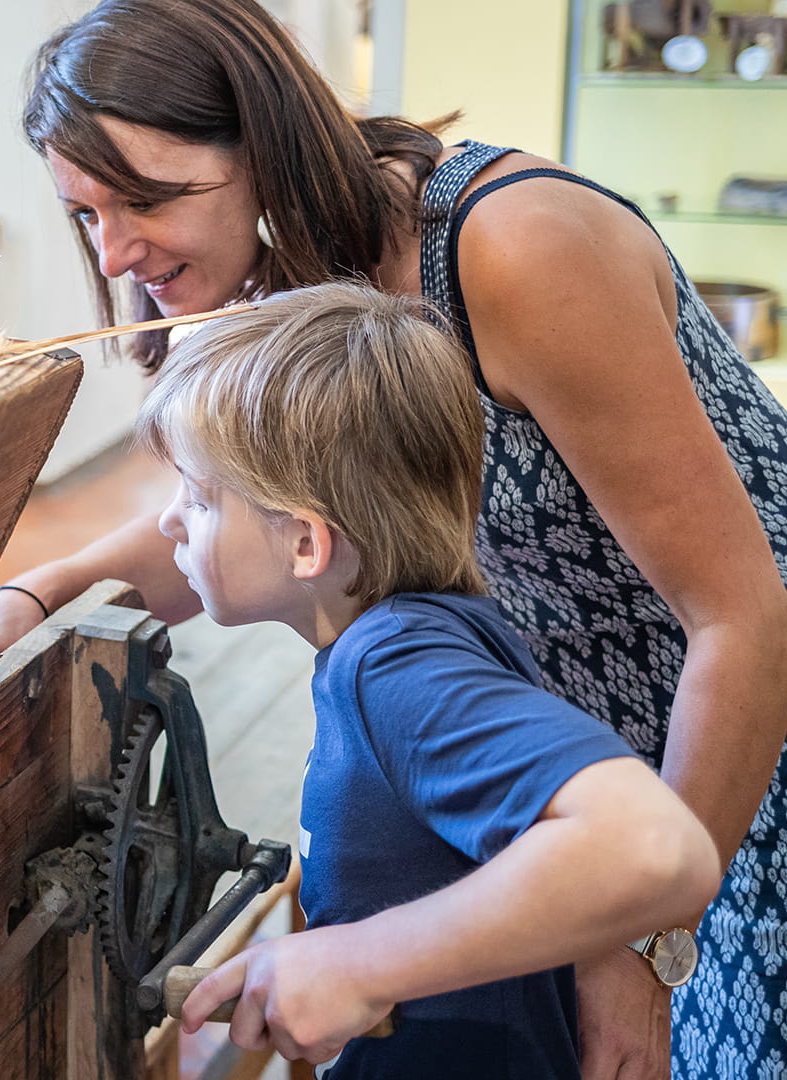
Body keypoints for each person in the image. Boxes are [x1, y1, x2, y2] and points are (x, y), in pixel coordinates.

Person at [0, 2, 787, 1076]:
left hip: (740, 735)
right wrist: (39, 589)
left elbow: (745, 617)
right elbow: (236, 523)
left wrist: (643, 947)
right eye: (85, 213)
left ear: (260, 139)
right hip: (585, 751)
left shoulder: (513, 248)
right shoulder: (291, 272)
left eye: (146, 198)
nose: (114, 251)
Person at [135, 280, 719, 1077]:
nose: (169, 521)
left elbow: (657, 847)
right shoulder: (422, 631)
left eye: (199, 499)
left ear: (306, 544)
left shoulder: (398, 666)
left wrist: (361, 962)